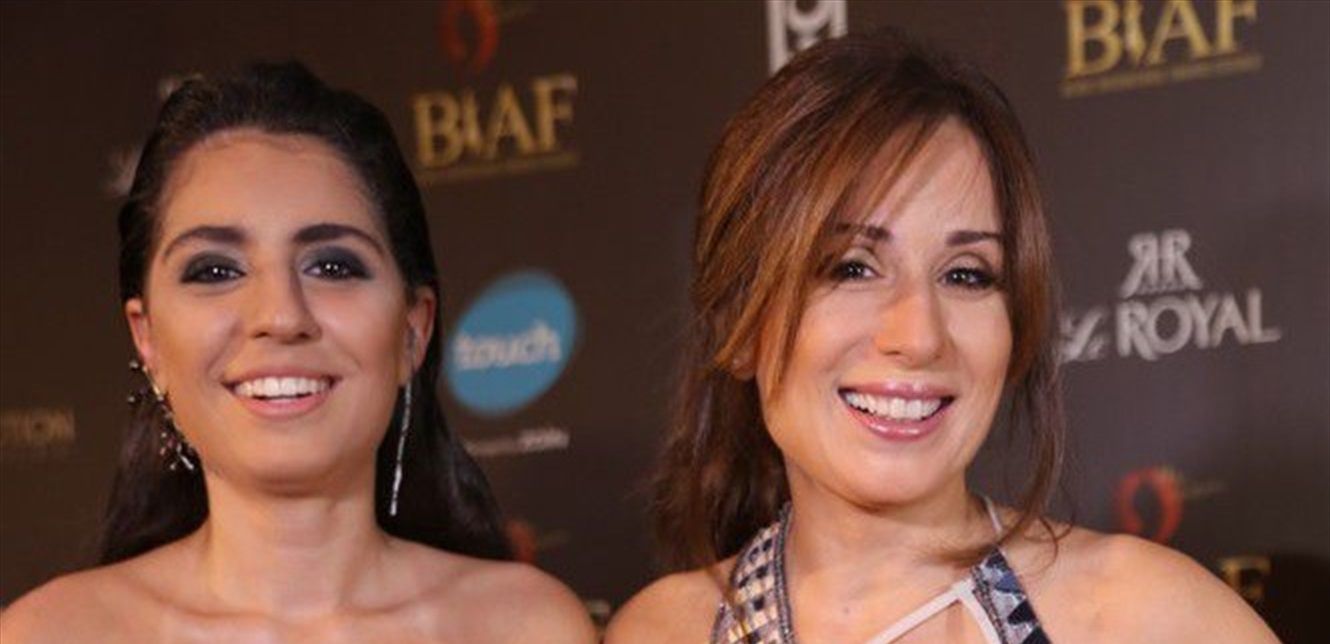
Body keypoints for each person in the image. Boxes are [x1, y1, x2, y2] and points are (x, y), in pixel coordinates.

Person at [607, 31, 1276, 643]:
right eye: (851, 267)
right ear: (739, 322)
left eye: (966, 274)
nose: (919, 335)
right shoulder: (660, 632)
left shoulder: (1147, 619)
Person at [0, 62, 595, 643]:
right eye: (216, 270)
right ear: (147, 338)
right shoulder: (51, 634)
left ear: (413, 329)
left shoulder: (527, 628)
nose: (281, 316)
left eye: (332, 266)